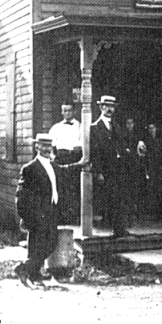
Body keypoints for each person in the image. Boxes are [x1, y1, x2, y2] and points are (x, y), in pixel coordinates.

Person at [15, 134, 61, 289]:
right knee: (40, 245)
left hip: (50, 211)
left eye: (49, 145)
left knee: (50, 243)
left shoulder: (52, 166)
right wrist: (25, 216)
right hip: (37, 214)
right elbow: (21, 196)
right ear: (37, 147)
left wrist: (81, 164)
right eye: (44, 146)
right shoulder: (29, 168)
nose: (47, 149)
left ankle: (31, 273)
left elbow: (65, 170)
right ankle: (25, 269)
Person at [89, 95, 130, 238]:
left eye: (112, 107)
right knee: (110, 198)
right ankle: (113, 229)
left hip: (119, 168)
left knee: (120, 198)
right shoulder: (95, 127)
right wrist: (98, 172)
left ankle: (120, 229)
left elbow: (122, 146)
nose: (110, 109)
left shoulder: (116, 126)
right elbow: (95, 152)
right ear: (101, 107)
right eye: (107, 106)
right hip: (106, 169)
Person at [48, 101, 83, 224]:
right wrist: (53, 158)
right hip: (60, 159)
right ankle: (62, 218)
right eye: (65, 111)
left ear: (74, 111)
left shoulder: (80, 126)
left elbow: (84, 144)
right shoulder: (56, 127)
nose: (67, 113)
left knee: (74, 188)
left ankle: (74, 218)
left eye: (70, 110)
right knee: (61, 188)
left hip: (74, 158)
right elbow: (51, 146)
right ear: (62, 112)